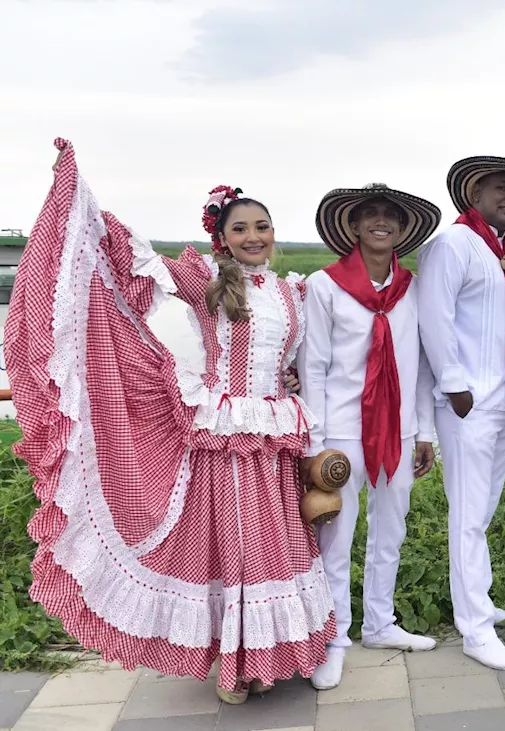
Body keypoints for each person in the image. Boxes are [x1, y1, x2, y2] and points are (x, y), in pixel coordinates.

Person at [4, 139, 334, 704]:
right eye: (241, 229)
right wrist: (76, 195)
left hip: (275, 437)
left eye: (263, 226)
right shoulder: (204, 280)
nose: (254, 237)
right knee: (232, 550)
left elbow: (296, 363)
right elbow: (121, 263)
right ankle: (233, 667)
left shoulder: (295, 292)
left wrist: (296, 387)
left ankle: (266, 658)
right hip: (220, 434)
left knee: (275, 548)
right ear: (222, 236)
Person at [301, 184, 443, 689]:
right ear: (355, 227)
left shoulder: (414, 288)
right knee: (335, 537)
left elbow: (422, 364)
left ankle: (380, 623)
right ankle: (334, 637)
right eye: (371, 216)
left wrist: (425, 430)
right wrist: (314, 443)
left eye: (391, 217)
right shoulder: (325, 285)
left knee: (392, 529)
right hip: (342, 431)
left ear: (403, 231)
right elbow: (312, 365)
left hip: (399, 430)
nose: (381, 222)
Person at [418, 155, 505, 670]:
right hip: (467, 401)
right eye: (501, 188)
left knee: (485, 507)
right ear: (474, 192)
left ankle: (481, 603)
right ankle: (472, 627)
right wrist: (455, 385)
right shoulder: (454, 244)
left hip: (503, 395)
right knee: (469, 514)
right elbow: (436, 317)